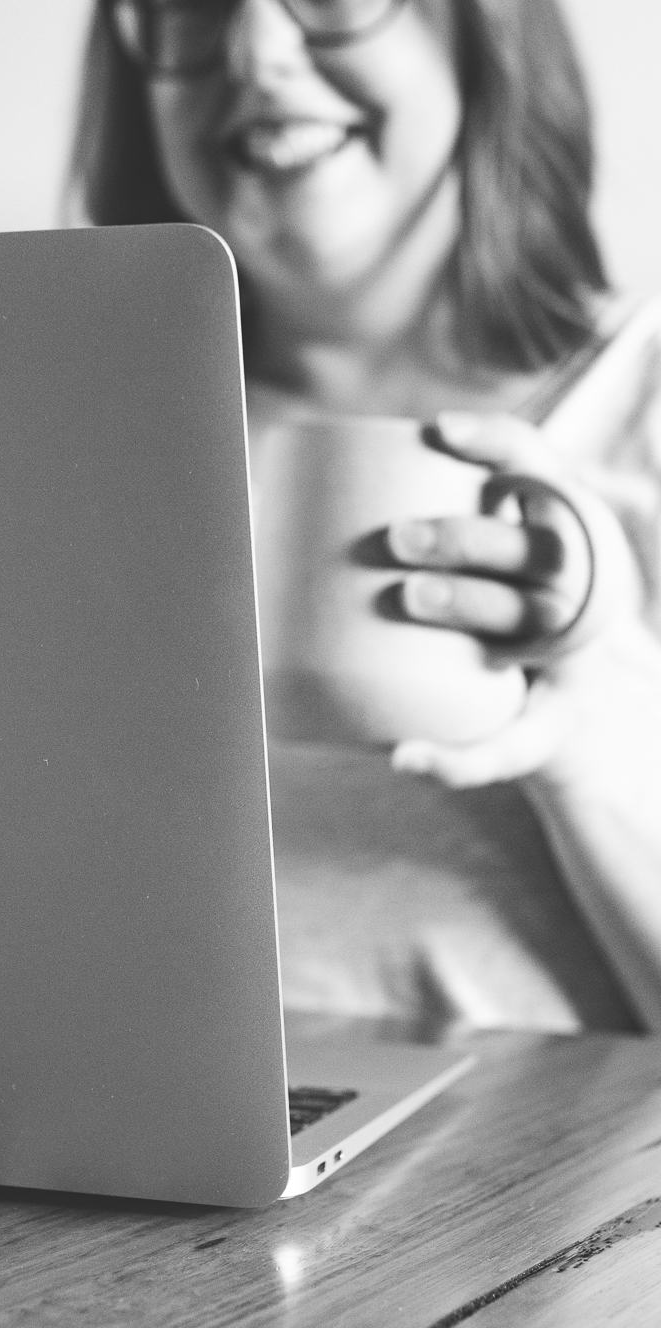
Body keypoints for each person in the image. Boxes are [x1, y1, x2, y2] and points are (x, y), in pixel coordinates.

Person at [66, 0, 661, 1040]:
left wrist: (588, 725)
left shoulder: (637, 409)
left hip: (539, 1197)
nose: (252, 48)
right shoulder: (62, 445)